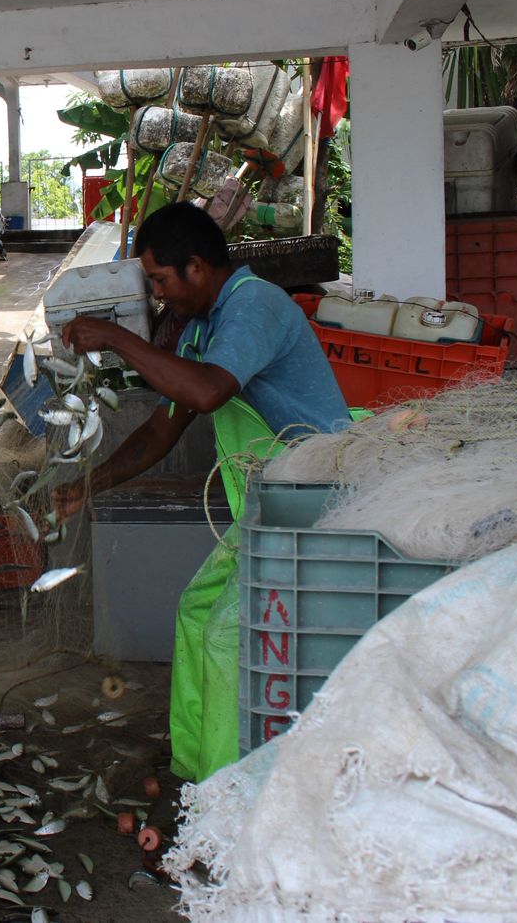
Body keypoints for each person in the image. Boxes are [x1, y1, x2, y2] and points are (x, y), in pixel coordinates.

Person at [53, 201, 349, 782]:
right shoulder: (202, 329)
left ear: (195, 266)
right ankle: (193, 767)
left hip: (312, 504)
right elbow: (162, 429)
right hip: (264, 509)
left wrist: (116, 336)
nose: (158, 295)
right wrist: (89, 485)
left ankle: (222, 797)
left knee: (225, 640)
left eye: (160, 280)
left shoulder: (255, 305)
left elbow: (208, 391)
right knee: (195, 612)